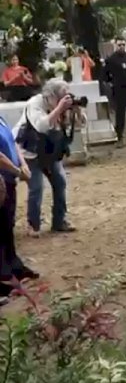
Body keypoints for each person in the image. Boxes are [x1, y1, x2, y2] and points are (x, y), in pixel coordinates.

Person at [13, 80, 78, 236]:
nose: (64, 100)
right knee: (36, 187)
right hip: (29, 152)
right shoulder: (35, 104)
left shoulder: (62, 107)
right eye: (61, 97)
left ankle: (59, 221)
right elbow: (41, 126)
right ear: (50, 96)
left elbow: (78, 126)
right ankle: (33, 225)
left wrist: (76, 111)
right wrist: (59, 109)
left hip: (49, 152)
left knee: (60, 182)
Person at [0, 114, 38, 292]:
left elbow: (12, 142)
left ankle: (14, 265)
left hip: (9, 179)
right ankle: (4, 277)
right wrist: (17, 171)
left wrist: (23, 164)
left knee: (8, 224)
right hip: (2, 178)